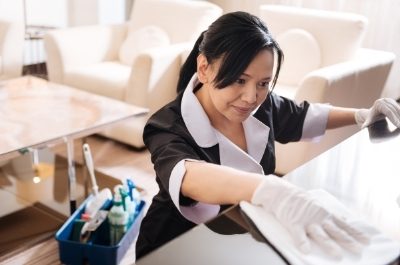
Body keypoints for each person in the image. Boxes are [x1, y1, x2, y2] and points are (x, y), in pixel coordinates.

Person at [135, 11, 400, 260]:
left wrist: (361, 115)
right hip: (175, 247)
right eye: (239, 80)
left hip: (238, 239)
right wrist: (270, 190)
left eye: (263, 83)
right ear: (203, 68)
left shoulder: (263, 105)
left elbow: (302, 116)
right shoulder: (166, 125)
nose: (252, 97)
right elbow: (187, 175)